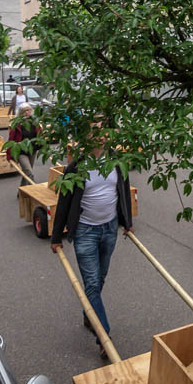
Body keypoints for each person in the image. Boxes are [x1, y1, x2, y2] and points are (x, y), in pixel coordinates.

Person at [50, 122, 134, 359]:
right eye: (93, 131)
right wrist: (56, 237)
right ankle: (104, 337)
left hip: (109, 229)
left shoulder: (117, 163)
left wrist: (127, 223)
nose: (99, 136)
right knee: (92, 283)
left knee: (101, 278)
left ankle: (90, 315)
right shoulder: (76, 168)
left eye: (102, 131)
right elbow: (64, 203)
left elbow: (123, 192)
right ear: (85, 137)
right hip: (86, 231)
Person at [7, 103, 39, 184]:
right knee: (29, 173)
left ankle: (21, 192)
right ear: (20, 113)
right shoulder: (17, 123)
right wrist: (9, 155)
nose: (26, 112)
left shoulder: (35, 122)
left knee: (26, 173)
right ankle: (36, 190)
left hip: (32, 150)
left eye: (28, 110)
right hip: (21, 152)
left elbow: (40, 135)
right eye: (24, 111)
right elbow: (11, 140)